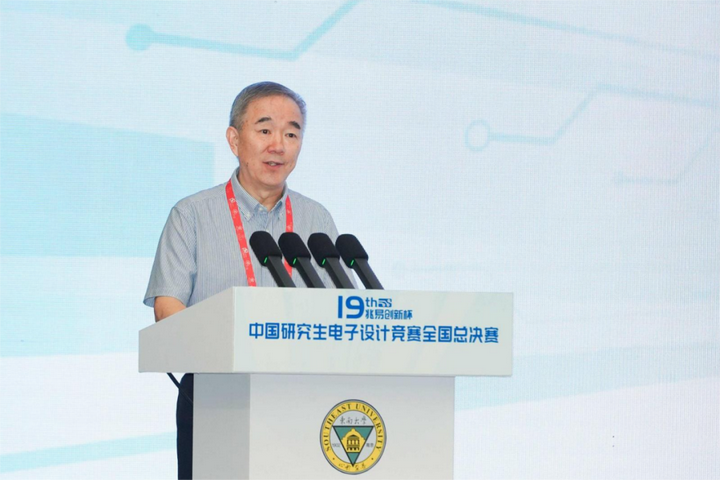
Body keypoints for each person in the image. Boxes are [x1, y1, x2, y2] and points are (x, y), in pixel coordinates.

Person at [143, 81, 350, 480]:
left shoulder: (316, 219)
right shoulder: (192, 215)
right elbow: (168, 311)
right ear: (234, 140)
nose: (279, 145)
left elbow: (340, 308)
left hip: (302, 398)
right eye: (265, 130)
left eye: (291, 134)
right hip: (215, 397)